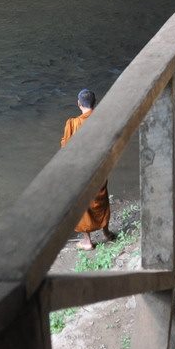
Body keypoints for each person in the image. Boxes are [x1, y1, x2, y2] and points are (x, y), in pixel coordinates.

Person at [61, 88, 117, 250]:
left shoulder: (72, 123)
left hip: (80, 169)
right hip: (99, 166)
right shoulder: (103, 121)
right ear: (95, 103)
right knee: (101, 198)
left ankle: (87, 241)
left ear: (79, 104)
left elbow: (66, 147)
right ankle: (106, 232)